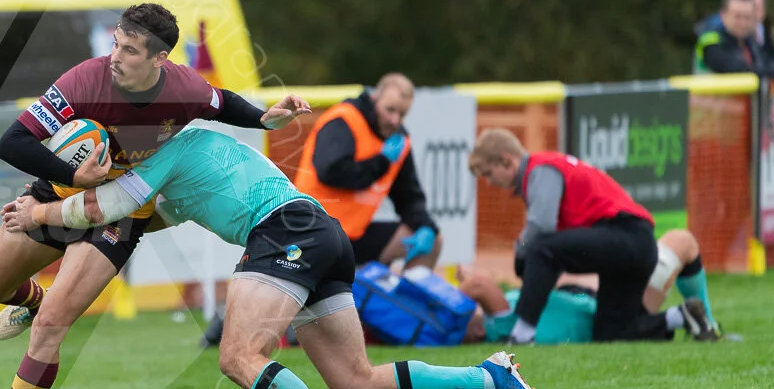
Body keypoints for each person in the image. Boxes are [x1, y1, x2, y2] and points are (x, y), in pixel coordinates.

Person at [0, 127, 549, 389]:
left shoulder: (164, 157)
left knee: (237, 357)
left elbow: (102, 209)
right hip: (320, 233)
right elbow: (131, 217)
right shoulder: (194, 150)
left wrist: (40, 212)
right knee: (354, 383)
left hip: (285, 235)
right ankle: (488, 376)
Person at [0, 3, 312, 389]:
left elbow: (221, 102)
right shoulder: (83, 81)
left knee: (51, 329)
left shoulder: (183, 88)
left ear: (159, 59)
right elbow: (12, 142)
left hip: (119, 217)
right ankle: (35, 300)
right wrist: (75, 174)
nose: (116, 56)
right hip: (57, 193)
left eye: (129, 50)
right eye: (115, 43)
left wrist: (264, 118)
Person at [467, 129, 719, 345]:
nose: (489, 183)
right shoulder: (546, 168)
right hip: (631, 244)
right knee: (611, 332)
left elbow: (542, 226)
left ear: (506, 161)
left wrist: (520, 248)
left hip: (626, 234)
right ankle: (682, 315)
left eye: (489, 174)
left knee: (539, 248)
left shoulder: (540, 169)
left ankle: (522, 336)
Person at [458, 228, 716, 344]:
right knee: (682, 242)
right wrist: (445, 305)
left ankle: (698, 323)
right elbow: (479, 286)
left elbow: (479, 286)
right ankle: (704, 324)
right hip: (617, 305)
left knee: (681, 241)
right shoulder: (496, 330)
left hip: (585, 291)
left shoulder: (500, 314)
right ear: (479, 330)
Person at [294, 74, 441, 269]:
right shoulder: (344, 120)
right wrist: (381, 162)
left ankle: (401, 300)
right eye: (390, 110)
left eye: (402, 114)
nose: (395, 120)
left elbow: (409, 197)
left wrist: (426, 226)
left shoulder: (398, 142)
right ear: (374, 99)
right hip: (312, 232)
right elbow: (331, 172)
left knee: (432, 241)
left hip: (354, 237)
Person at [694, 0, 774, 75]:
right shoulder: (710, 40)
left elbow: (768, 62)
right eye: (737, 17)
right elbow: (733, 68)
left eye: (747, 17)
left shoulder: (750, 41)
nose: (743, 23)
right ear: (723, 15)